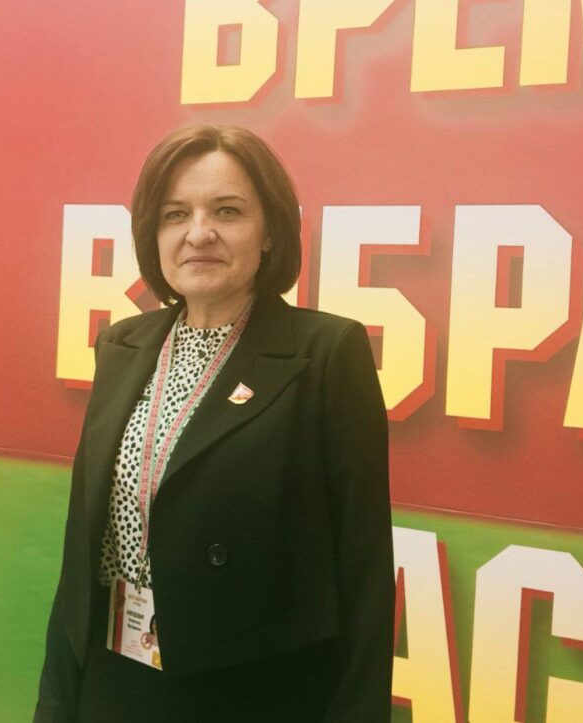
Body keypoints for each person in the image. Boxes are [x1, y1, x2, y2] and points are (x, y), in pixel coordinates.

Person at [34, 124, 394, 722]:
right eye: (175, 214)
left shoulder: (326, 354)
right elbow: (82, 556)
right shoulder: (122, 346)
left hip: (253, 692)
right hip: (114, 675)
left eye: (227, 211)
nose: (199, 233)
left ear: (270, 231)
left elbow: (364, 576)